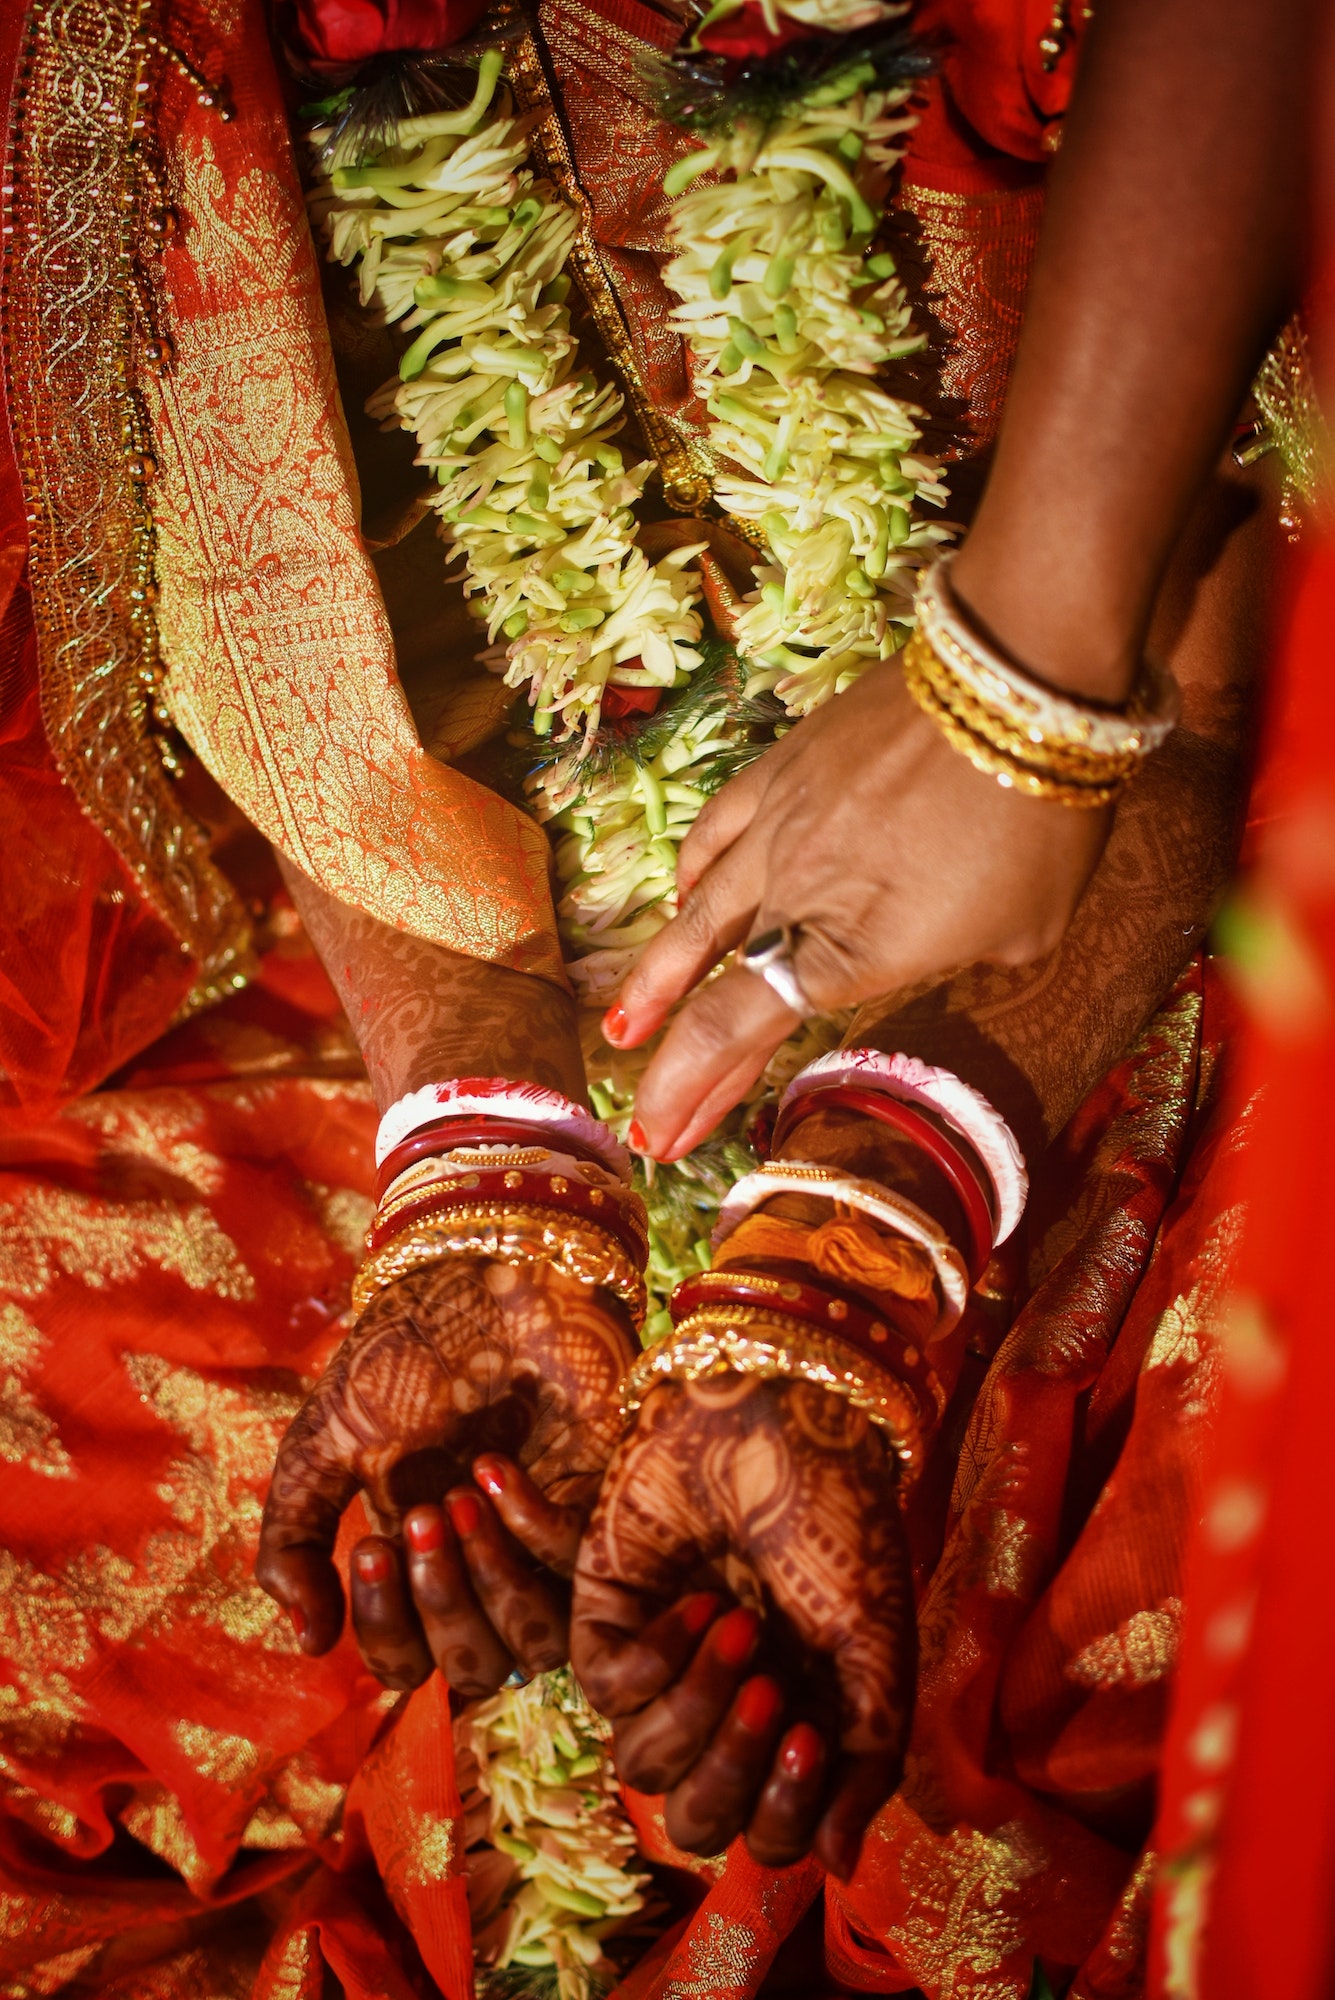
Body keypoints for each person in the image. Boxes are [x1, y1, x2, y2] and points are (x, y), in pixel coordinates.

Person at [0, 4, 1298, 2000]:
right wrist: (480, 1151)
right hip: (478, 884)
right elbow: (254, 502)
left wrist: (1012, 693)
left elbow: (1253, 561)